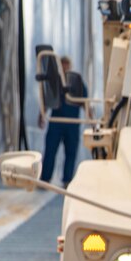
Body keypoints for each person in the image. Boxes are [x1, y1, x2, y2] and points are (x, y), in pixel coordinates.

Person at [39, 55, 87, 186]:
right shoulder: (54, 81)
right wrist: (41, 116)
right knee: (50, 150)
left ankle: (67, 180)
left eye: (66, 64)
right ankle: (45, 178)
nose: (65, 67)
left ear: (70, 66)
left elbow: (85, 101)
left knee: (71, 152)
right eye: (62, 65)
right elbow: (46, 100)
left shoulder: (77, 81)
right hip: (56, 121)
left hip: (72, 123)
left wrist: (91, 116)